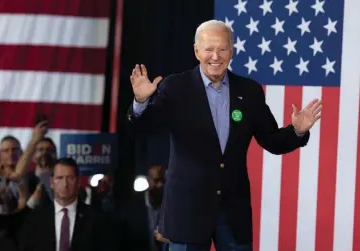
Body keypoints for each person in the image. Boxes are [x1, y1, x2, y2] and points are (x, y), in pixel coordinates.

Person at [126, 20, 322, 251]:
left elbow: (272, 140)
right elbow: (145, 128)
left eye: (222, 48)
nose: (215, 56)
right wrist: (141, 102)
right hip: (187, 210)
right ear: (196, 51)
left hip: (232, 212)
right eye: (208, 49)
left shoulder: (249, 91)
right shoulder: (175, 87)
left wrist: (297, 130)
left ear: (232, 50)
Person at [17, 158, 116, 251]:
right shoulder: (35, 219)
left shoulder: (96, 219)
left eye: (70, 178)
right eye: (59, 178)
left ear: (78, 182)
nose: (65, 184)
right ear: (51, 183)